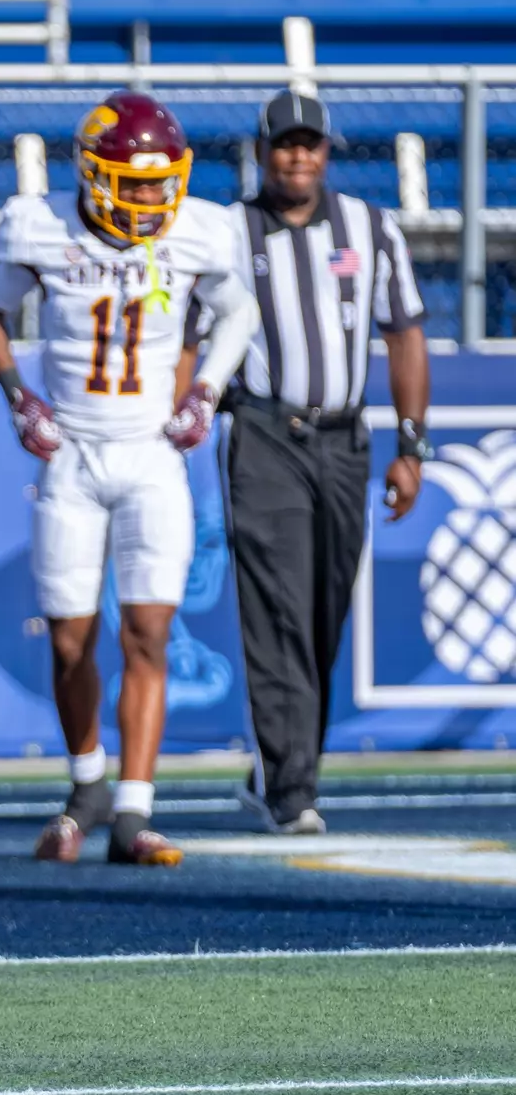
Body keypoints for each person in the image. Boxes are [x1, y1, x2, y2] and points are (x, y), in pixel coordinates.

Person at [0, 91, 259, 867]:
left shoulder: (201, 228)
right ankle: (86, 780)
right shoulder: (42, 224)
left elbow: (238, 311)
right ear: (92, 176)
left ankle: (134, 808)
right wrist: (18, 394)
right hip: (71, 454)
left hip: (153, 457)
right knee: (70, 640)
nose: (147, 198)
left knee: (148, 635)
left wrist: (206, 391)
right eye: (130, 183)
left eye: (158, 182)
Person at [187, 90, 430, 834]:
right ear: (261, 151)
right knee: (279, 606)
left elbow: (406, 333)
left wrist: (411, 444)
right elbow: (188, 333)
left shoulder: (369, 227)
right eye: (285, 144)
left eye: (311, 144)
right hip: (264, 431)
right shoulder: (227, 232)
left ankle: (282, 765)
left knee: (324, 610)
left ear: (327, 152)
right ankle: (291, 786)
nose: (298, 156)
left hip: (347, 440)